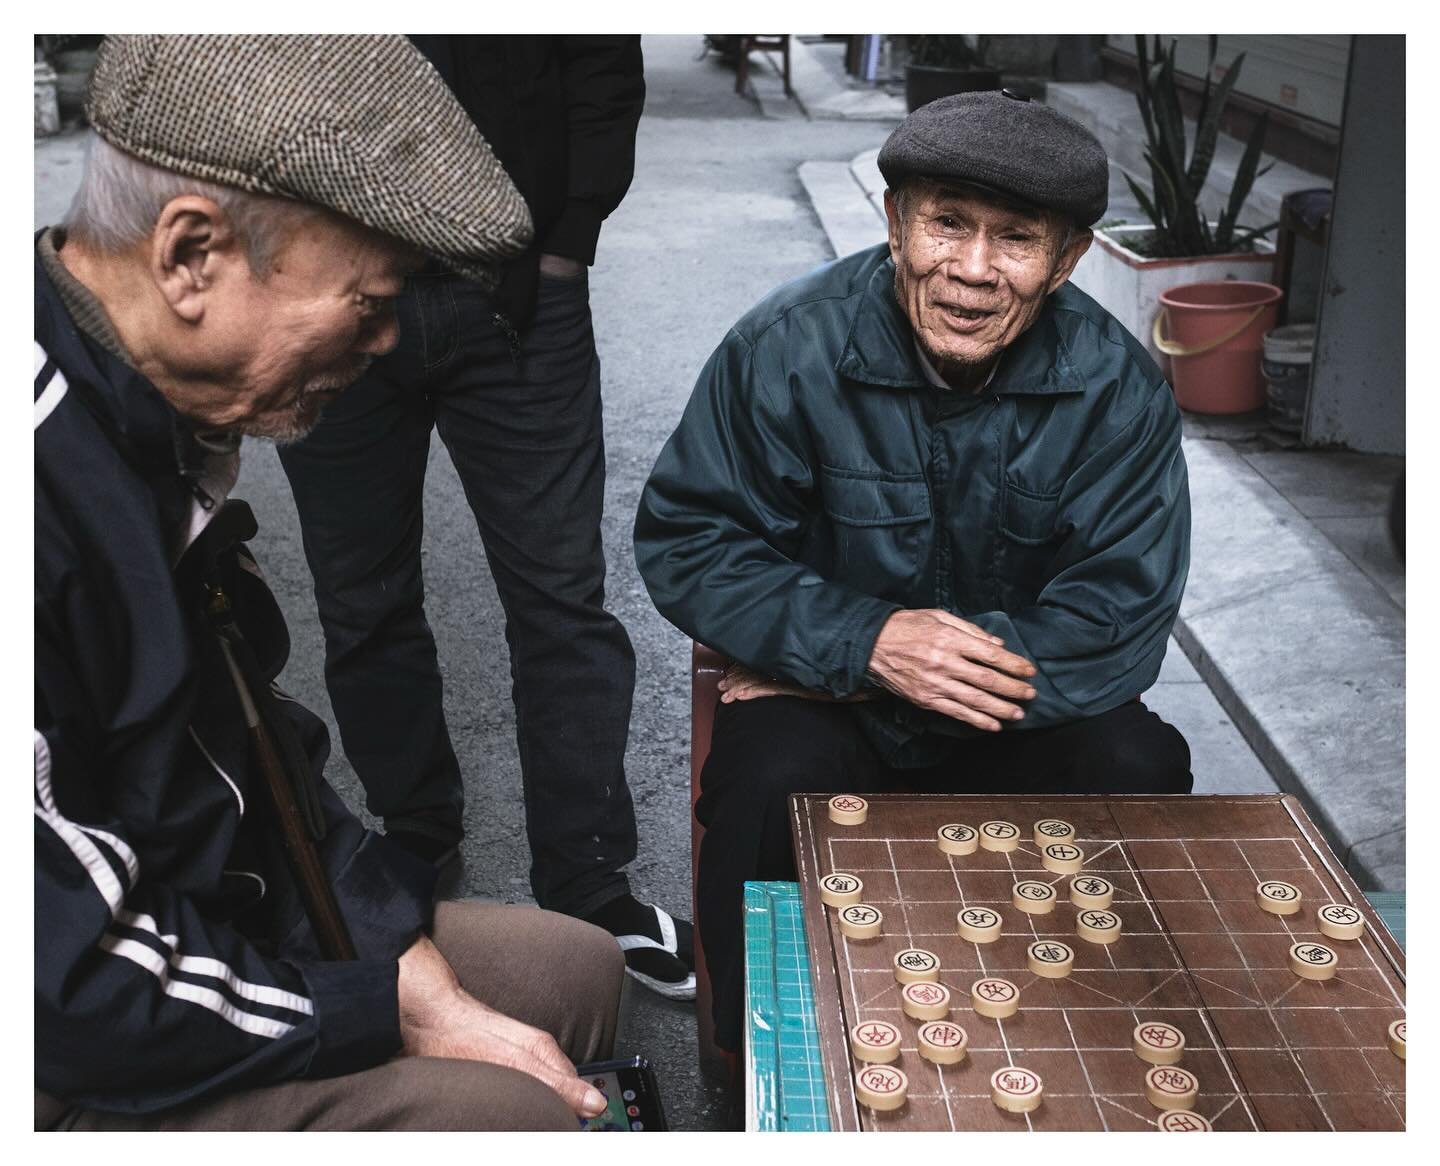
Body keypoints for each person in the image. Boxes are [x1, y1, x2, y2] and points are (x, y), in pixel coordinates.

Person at [35, 34, 624, 1131]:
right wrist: (381, 1009)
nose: (393, 340)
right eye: (368, 301)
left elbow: (252, 746)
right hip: (71, 1046)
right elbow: (65, 990)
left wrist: (392, 943)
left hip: (208, 908)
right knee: (517, 1110)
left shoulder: (161, 415)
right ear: (192, 255)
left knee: (582, 971)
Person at [634, 90, 1193, 1054]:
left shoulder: (1119, 390)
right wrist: (867, 646)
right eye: (946, 224)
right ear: (895, 224)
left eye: (1015, 240)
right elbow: (693, 538)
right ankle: (759, 1063)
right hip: (830, 694)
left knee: (1139, 765)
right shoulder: (787, 348)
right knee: (765, 784)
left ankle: (1091, 1043)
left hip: (1017, 706)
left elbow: (1116, 618)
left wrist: (884, 681)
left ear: (1064, 262)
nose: (972, 272)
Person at [275, 35, 693, 1000]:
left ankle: (589, 887)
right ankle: (415, 841)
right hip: (323, 294)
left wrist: (566, 246)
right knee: (362, 599)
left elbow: (600, 64)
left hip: (516, 296)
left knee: (561, 600)